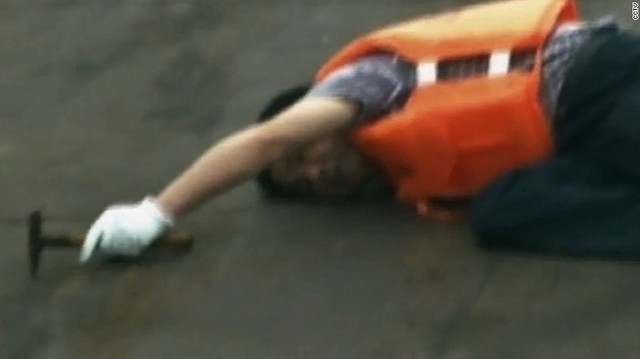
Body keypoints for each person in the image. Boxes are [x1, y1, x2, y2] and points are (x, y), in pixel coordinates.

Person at [79, 0, 640, 263]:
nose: (314, 172)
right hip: (580, 138)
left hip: (600, 82)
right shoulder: (408, 175)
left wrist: (156, 212)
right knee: (500, 211)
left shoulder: (368, 83)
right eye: (302, 184)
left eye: (303, 156)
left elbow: (265, 142)